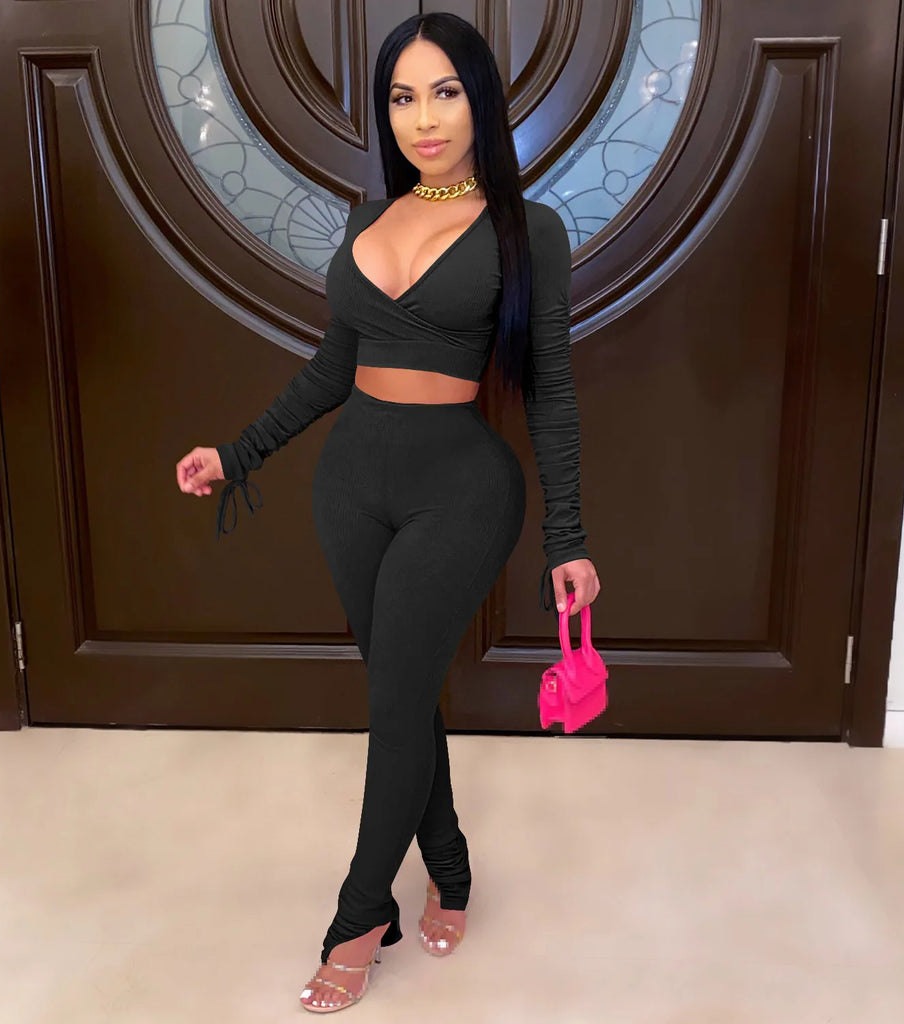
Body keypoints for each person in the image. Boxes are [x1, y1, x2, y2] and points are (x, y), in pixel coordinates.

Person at [175, 11, 601, 1014]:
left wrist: (569, 539)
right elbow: (334, 366)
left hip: (461, 493)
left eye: (445, 92)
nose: (424, 118)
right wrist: (238, 454)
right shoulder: (368, 220)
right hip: (350, 488)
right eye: (403, 97)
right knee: (406, 697)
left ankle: (360, 915)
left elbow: (551, 389)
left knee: (394, 705)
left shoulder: (526, 229)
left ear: (480, 100)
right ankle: (449, 866)